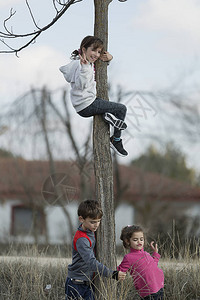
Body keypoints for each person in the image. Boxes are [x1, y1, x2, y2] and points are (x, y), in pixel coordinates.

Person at [59, 35, 128, 157]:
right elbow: (81, 85)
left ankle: (107, 116)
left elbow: (98, 68)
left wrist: (109, 59)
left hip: (87, 103)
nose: (96, 54)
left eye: (99, 52)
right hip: (87, 104)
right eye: (93, 50)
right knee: (121, 109)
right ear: (84, 50)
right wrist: (85, 68)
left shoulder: (88, 64)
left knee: (109, 108)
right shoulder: (80, 65)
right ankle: (116, 140)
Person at [65, 199, 126, 300]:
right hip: (76, 283)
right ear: (81, 219)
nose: (97, 225)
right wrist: (113, 274)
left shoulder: (90, 230)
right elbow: (91, 262)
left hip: (88, 282)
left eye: (98, 221)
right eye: (93, 222)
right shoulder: (81, 239)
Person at [117, 225, 164, 300]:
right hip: (148, 292)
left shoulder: (147, 254)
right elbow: (120, 270)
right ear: (127, 241)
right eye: (135, 240)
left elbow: (154, 265)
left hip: (159, 287)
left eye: (141, 239)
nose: (139, 242)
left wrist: (155, 253)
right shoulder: (128, 258)